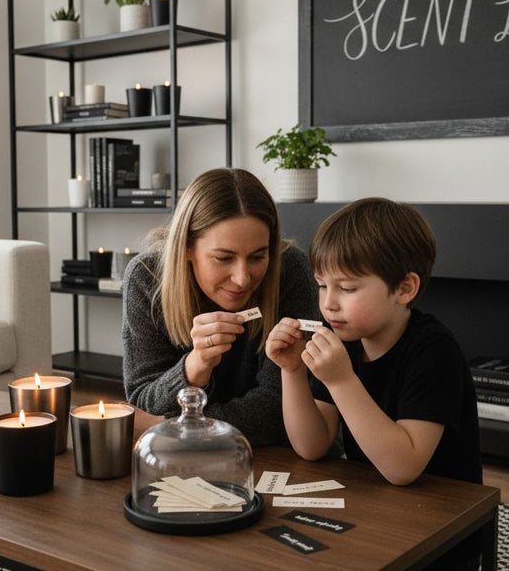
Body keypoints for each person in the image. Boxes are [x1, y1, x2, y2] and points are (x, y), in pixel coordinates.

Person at [266, 197, 482, 486]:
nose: (328, 303)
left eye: (346, 288)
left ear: (404, 289)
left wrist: (341, 381)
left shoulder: (435, 350)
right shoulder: (345, 340)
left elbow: (403, 469)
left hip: (445, 511)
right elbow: (312, 447)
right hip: (375, 501)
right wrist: (292, 372)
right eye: (322, 285)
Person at [122, 168, 319, 446]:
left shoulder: (290, 271)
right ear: (187, 247)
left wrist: (173, 427)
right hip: (179, 458)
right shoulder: (146, 277)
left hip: (278, 456)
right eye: (224, 258)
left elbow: (278, 410)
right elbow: (143, 404)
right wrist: (195, 366)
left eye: (257, 256)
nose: (242, 278)